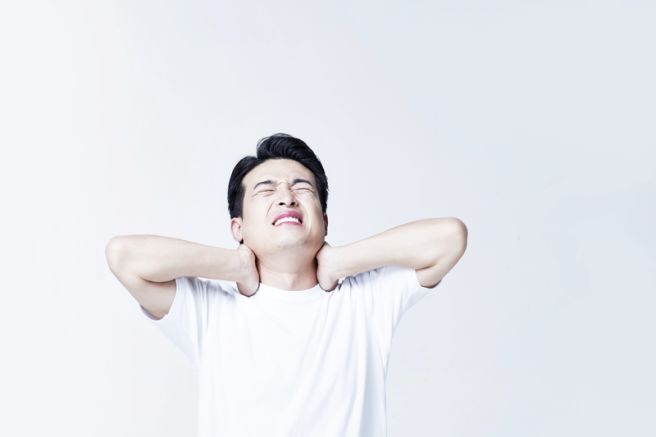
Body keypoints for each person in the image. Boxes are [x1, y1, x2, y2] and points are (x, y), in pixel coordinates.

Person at [105, 133, 468, 437]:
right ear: (238, 227)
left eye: (301, 187)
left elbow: (449, 238)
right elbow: (125, 257)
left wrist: (341, 261)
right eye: (266, 189)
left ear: (324, 221)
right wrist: (235, 265)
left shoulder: (364, 301)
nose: (286, 196)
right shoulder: (210, 310)